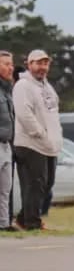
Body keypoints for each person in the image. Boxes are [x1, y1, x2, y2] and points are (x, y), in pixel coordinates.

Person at [12, 49, 62, 232]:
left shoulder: (47, 87)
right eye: (38, 63)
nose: (42, 67)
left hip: (49, 145)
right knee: (35, 184)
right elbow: (25, 115)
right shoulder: (23, 86)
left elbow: (53, 113)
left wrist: (56, 137)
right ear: (29, 64)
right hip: (30, 144)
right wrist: (39, 133)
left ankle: (24, 218)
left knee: (47, 184)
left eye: (45, 63)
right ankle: (31, 223)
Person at [0, 50, 15, 231]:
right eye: (6, 64)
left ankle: (3, 224)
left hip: (6, 144)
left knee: (5, 189)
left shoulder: (7, 90)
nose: (10, 68)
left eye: (11, 64)